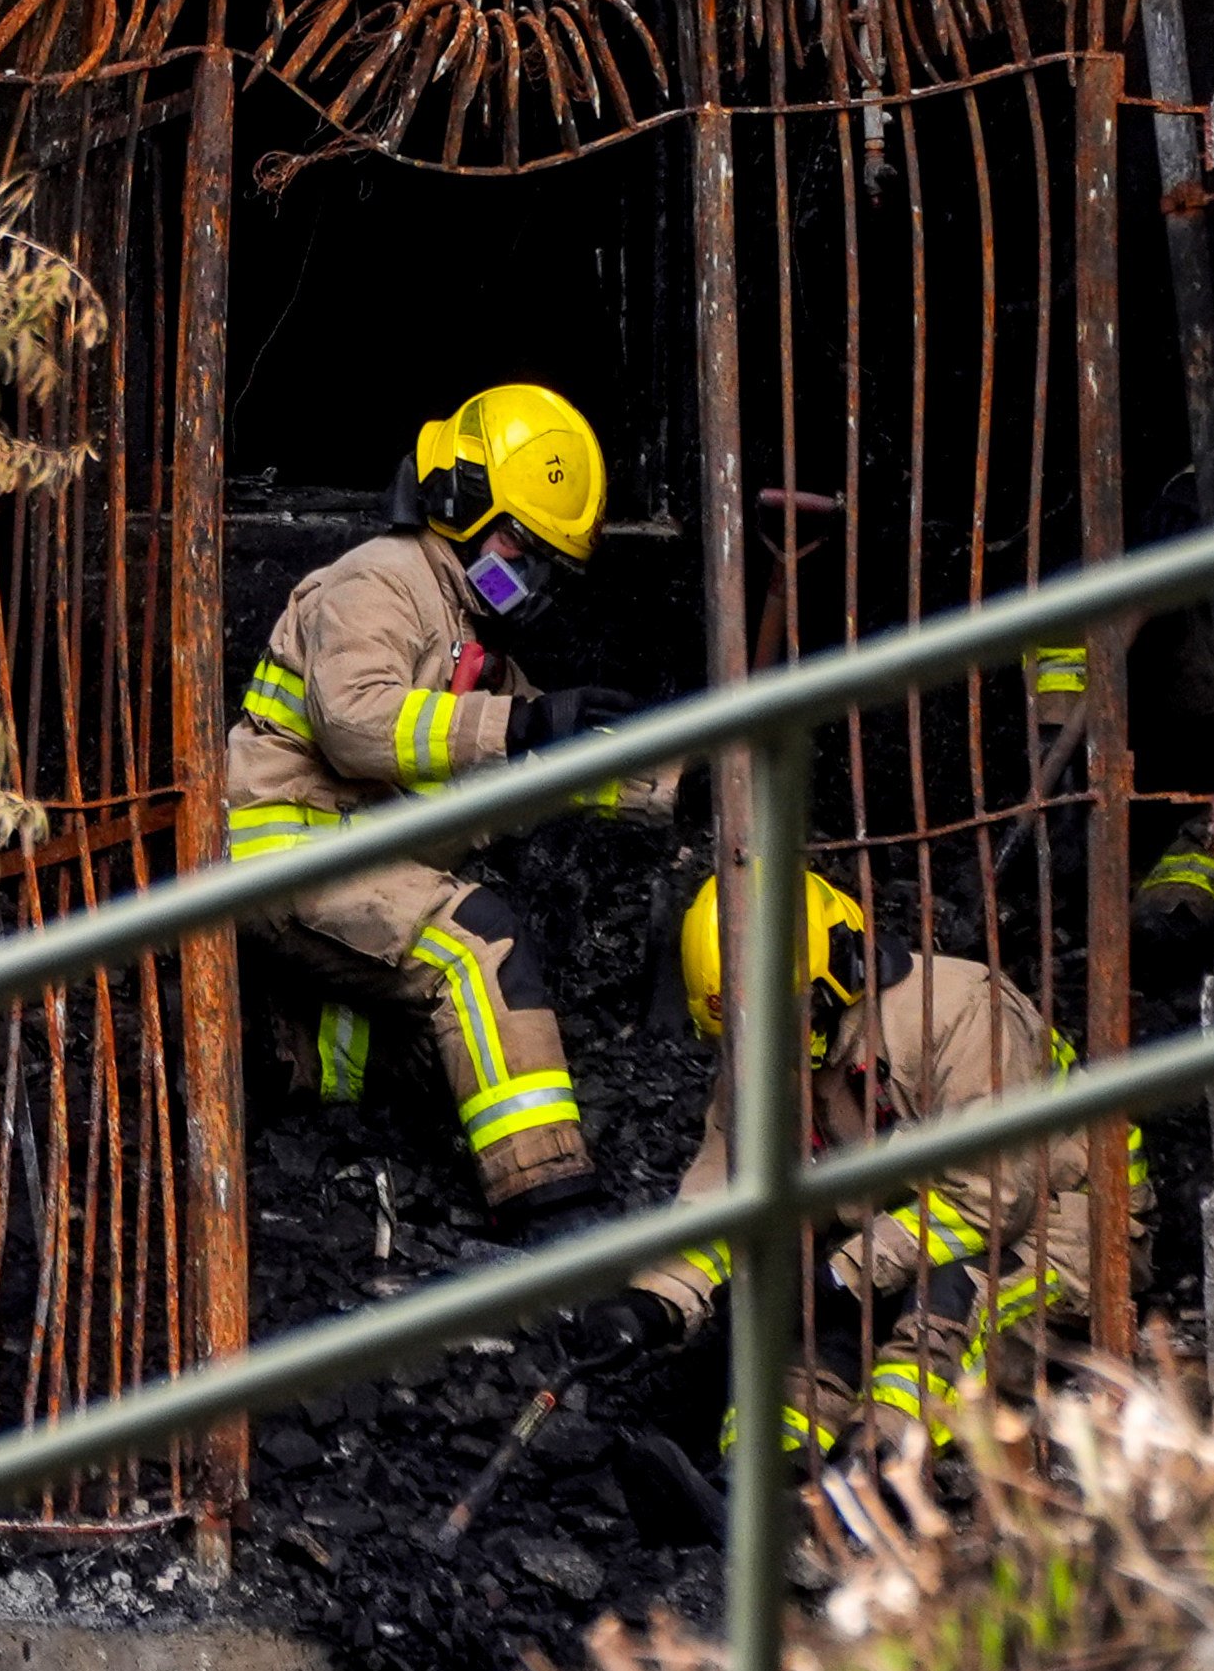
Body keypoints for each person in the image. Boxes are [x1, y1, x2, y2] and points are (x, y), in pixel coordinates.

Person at [225, 385, 667, 1238]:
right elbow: (356, 725)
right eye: (520, 547)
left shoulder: (468, 633)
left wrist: (677, 776)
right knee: (478, 950)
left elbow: (531, 758)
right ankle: (549, 1202)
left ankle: (282, 1060)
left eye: (546, 565)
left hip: (358, 861)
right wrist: (528, 723)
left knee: (420, 1056)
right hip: (287, 851)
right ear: (457, 501)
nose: (528, 579)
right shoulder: (376, 581)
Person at [574, 870, 1151, 1470]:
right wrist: (655, 1302)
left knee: (944, 1308)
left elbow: (994, 1197)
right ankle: (757, 1483)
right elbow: (728, 1198)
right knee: (806, 1331)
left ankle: (875, 1476)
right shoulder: (763, 1062)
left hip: (1065, 1225)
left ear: (837, 979)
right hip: (898, 1222)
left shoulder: (958, 1013)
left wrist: (842, 1273)